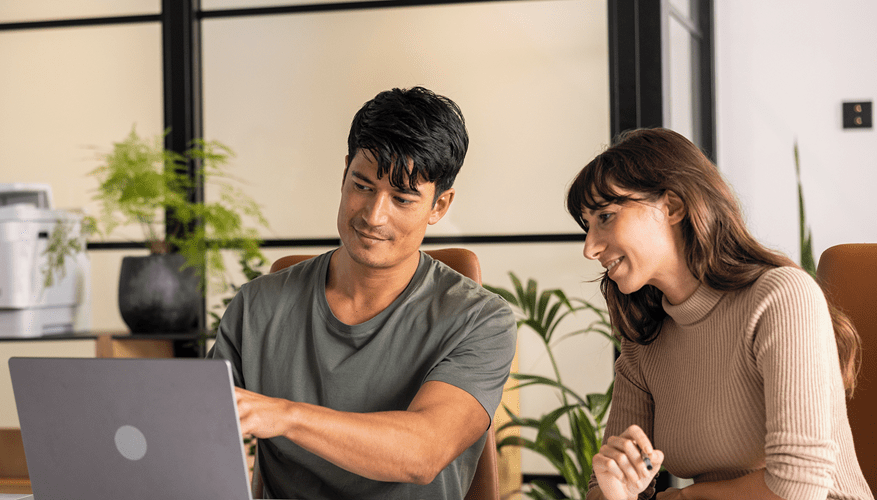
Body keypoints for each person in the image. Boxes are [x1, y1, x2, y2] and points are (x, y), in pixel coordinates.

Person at [207, 86, 517, 500]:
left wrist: (286, 416)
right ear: (343, 176)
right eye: (363, 186)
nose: (374, 215)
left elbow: (421, 453)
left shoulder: (481, 319)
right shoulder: (256, 306)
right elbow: (199, 439)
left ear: (440, 206)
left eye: (403, 198)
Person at [566, 128, 873, 500]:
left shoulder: (779, 297)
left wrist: (682, 497)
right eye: (587, 225)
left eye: (606, 216)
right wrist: (618, 493)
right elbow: (606, 488)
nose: (590, 247)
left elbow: (799, 485)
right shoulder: (644, 343)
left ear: (672, 207)